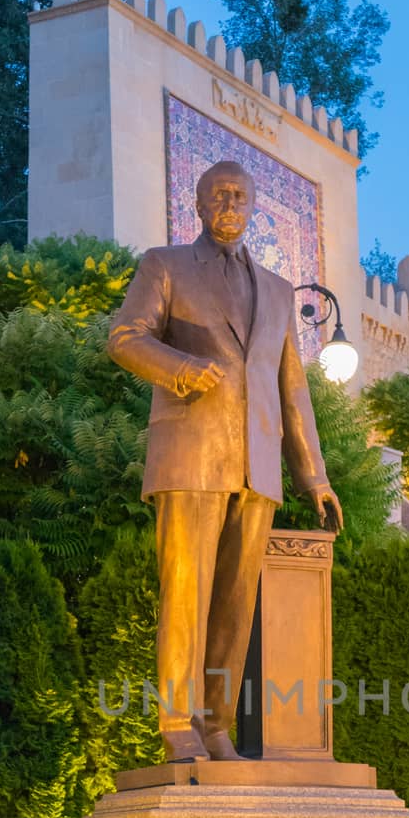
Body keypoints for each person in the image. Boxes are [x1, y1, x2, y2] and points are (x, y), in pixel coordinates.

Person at [107, 160, 343, 763]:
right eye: (219, 195)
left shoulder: (278, 289)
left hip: (257, 466)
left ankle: (216, 727)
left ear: (255, 204)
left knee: (235, 607)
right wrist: (181, 370)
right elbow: (126, 338)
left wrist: (312, 475)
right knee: (186, 597)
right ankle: (178, 724)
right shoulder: (166, 266)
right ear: (200, 204)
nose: (230, 203)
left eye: (240, 194)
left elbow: (293, 388)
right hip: (190, 455)